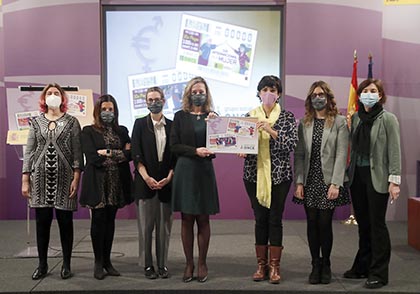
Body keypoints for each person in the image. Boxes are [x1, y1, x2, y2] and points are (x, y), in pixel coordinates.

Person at [343, 79, 401, 289]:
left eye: (373, 90)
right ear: (359, 95)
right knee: (363, 224)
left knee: (377, 225)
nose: (369, 93)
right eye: (365, 90)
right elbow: (355, 146)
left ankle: (379, 272)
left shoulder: (388, 119)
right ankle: (362, 266)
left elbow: (394, 151)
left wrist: (394, 181)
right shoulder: (356, 117)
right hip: (357, 176)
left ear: (380, 95)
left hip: (378, 177)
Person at [21, 83, 83, 280]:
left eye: (57, 93)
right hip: (39, 178)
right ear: (44, 98)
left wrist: (76, 176)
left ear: (63, 98)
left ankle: (66, 263)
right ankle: (42, 264)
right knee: (42, 222)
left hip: (65, 179)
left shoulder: (72, 122)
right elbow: (29, 151)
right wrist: (25, 178)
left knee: (65, 222)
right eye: (50, 93)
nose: (53, 95)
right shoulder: (36, 122)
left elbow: (77, 152)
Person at [240, 75, 298, 284]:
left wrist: (270, 130)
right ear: (258, 92)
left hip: (280, 177)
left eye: (272, 89)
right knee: (260, 219)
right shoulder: (249, 117)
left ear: (279, 94)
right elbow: (240, 143)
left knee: (275, 219)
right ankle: (261, 265)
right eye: (264, 89)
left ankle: (275, 267)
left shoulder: (287, 117)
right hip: (253, 176)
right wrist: (242, 150)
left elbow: (291, 144)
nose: (268, 93)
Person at [293, 81, 351, 284]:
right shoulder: (304, 122)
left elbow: (342, 153)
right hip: (309, 181)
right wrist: (299, 182)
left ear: (328, 97)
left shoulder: (339, 122)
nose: (318, 98)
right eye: (314, 95)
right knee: (311, 223)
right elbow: (299, 154)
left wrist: (336, 184)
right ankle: (314, 264)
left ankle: (326, 264)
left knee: (325, 224)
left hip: (329, 182)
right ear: (310, 99)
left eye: (321, 94)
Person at [170, 76, 219, 283]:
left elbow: (217, 148)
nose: (198, 95)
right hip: (185, 170)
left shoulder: (213, 116)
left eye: (202, 92)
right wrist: (194, 151)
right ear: (188, 94)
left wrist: (216, 126)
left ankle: (202, 263)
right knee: (187, 218)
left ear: (206, 94)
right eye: (195, 91)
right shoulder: (179, 116)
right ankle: (189, 263)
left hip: (205, 171)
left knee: (203, 219)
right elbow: (174, 146)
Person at [79, 94, 133, 280]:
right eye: (104, 109)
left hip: (116, 183)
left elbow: (129, 155)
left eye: (111, 109)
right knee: (98, 221)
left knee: (110, 222)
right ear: (98, 111)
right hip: (98, 183)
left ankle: (108, 261)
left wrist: (108, 152)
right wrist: (118, 154)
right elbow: (93, 157)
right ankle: (98, 262)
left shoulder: (123, 131)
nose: (107, 112)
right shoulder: (88, 131)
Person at [131, 87, 175, 279]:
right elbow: (136, 153)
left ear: (163, 101)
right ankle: (148, 265)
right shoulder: (140, 124)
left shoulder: (173, 126)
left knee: (164, 227)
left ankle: (162, 264)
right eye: (150, 99)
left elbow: (175, 156)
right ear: (146, 102)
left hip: (167, 182)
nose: (153, 102)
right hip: (144, 181)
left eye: (157, 99)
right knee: (146, 227)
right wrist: (146, 177)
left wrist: (170, 177)